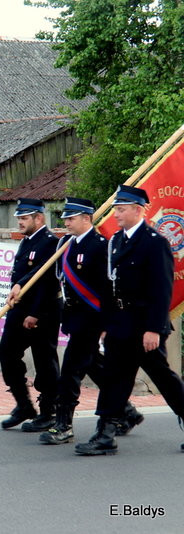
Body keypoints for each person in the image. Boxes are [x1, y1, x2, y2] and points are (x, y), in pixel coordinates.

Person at [75, 185, 184, 456]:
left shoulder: (153, 242)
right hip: (119, 324)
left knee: (164, 379)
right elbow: (112, 288)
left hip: (144, 326)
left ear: (138, 210)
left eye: (121, 210)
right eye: (115, 210)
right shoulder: (116, 241)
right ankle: (106, 433)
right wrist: (105, 325)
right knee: (114, 378)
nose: (116, 215)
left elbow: (162, 290)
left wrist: (154, 329)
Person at [38, 197, 143, 445]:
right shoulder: (66, 244)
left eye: (71, 218)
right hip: (75, 317)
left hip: (92, 319)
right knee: (96, 367)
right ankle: (127, 412)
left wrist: (107, 324)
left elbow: (108, 290)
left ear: (87, 219)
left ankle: (63, 426)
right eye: (65, 218)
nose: (66, 223)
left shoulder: (100, 247)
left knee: (71, 372)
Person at [0, 198, 61, 432]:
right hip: (21, 308)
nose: (20, 223)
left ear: (39, 218)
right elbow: (22, 273)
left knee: (45, 361)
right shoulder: (28, 241)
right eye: (19, 219)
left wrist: (35, 313)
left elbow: (48, 281)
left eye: (25, 218)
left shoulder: (50, 243)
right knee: (7, 353)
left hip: (42, 310)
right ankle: (23, 405)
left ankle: (49, 411)